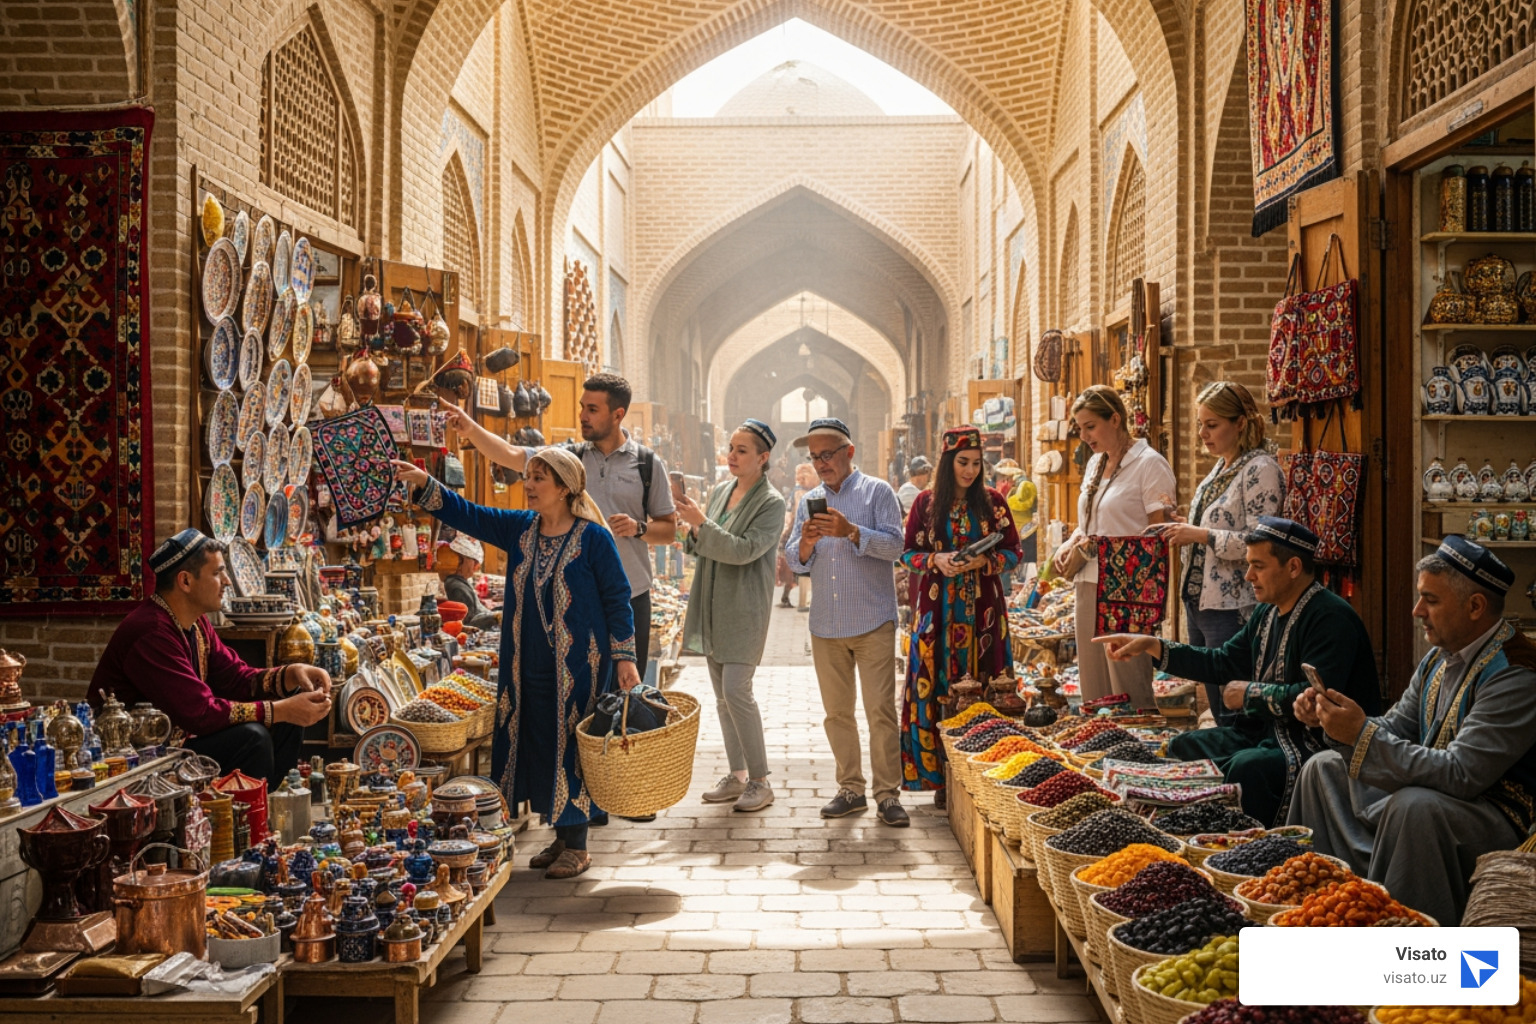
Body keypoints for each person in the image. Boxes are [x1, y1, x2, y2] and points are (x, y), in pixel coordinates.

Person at [392, 449, 640, 879]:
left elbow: (618, 598)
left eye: (539, 478)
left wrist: (624, 657)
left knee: (571, 744)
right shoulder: (521, 530)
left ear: (564, 487)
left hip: (578, 666)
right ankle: (560, 836)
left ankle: (577, 846)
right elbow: (471, 515)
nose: (528, 485)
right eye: (528, 476)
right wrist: (425, 485)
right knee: (539, 741)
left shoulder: (593, 538)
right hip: (525, 666)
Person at [1288, 537, 1536, 925]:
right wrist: (1333, 720)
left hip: (1497, 815)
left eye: (1431, 600)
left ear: (1475, 607)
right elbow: (1395, 727)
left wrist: (1360, 734)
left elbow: (1462, 773)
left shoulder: (1516, 672)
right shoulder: (1439, 657)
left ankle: (1401, 937)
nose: (1417, 610)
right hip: (1438, 793)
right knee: (1324, 767)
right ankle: (1321, 907)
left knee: (1414, 807)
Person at [1096, 517, 1379, 826]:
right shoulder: (1267, 612)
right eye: (1248, 565)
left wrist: (1250, 695)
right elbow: (1222, 662)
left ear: (1294, 567)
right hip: (1265, 734)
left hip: (1313, 744)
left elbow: (1315, 697)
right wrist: (1152, 645)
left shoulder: (1331, 618)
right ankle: (1192, 837)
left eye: (1258, 566)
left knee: (1248, 767)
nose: (1248, 576)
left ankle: (1260, 851)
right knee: (1182, 745)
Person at [442, 372, 676, 681]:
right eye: (582, 407)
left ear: (618, 414)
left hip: (631, 598)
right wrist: (469, 427)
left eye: (592, 409)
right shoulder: (570, 458)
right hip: (577, 599)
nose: (582, 416)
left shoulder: (647, 464)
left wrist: (638, 528)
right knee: (578, 694)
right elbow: (513, 456)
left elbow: (670, 530)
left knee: (625, 698)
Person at [88, 529, 332, 788]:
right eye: (217, 573)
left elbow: (235, 678)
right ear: (185, 581)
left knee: (287, 717)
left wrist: (292, 673)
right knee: (253, 737)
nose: (227, 581)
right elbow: (200, 713)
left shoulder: (196, 624)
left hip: (180, 741)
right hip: (141, 754)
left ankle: (258, 806)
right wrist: (281, 710)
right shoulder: (151, 631)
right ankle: (243, 818)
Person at [786, 417, 909, 827]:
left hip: (873, 621)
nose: (821, 464)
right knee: (837, 714)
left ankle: (888, 795)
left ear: (849, 452)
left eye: (827, 454)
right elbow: (792, 560)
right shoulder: (809, 501)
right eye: (814, 457)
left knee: (880, 712)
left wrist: (852, 531)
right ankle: (851, 789)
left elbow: (896, 546)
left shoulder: (878, 492)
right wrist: (805, 544)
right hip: (827, 625)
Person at [1148, 381, 1283, 726]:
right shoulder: (1224, 466)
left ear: (1240, 423)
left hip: (1232, 603)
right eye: (1200, 424)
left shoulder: (1259, 469)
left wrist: (1201, 533)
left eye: (1212, 425)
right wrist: (1184, 525)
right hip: (1201, 602)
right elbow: (1219, 527)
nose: (1202, 434)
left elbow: (1261, 540)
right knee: (1215, 696)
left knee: (1232, 702)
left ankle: (1238, 770)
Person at [900, 427, 1021, 809]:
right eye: (962, 463)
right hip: (937, 610)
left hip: (985, 610)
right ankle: (940, 780)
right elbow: (907, 554)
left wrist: (989, 560)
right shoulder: (925, 503)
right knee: (935, 684)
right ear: (947, 463)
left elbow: (1014, 550)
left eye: (975, 464)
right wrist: (936, 560)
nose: (969, 471)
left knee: (987, 681)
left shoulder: (994, 502)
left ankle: (985, 770)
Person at [676, 419, 787, 813]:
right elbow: (698, 546)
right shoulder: (722, 491)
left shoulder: (772, 502)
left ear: (763, 457)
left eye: (742, 450)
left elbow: (743, 551)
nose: (733, 456)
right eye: (731, 448)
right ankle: (737, 775)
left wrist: (701, 524)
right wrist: (691, 527)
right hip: (711, 601)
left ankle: (760, 780)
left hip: (743, 606)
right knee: (723, 698)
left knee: (738, 690)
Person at [1052, 384, 1176, 708]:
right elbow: (1090, 522)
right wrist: (1070, 544)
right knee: (1094, 682)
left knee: (1128, 681)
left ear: (1116, 419)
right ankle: (1100, 748)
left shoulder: (1149, 464)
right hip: (1089, 581)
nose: (1085, 436)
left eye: (1090, 426)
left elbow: (1158, 533)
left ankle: (1138, 748)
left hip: (1127, 588)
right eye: (1080, 428)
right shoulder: (1095, 464)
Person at [439, 533, 499, 629]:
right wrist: (495, 617)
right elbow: (468, 624)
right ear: (460, 561)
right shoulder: (456, 587)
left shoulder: (461, 582)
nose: (476, 567)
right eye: (473, 562)